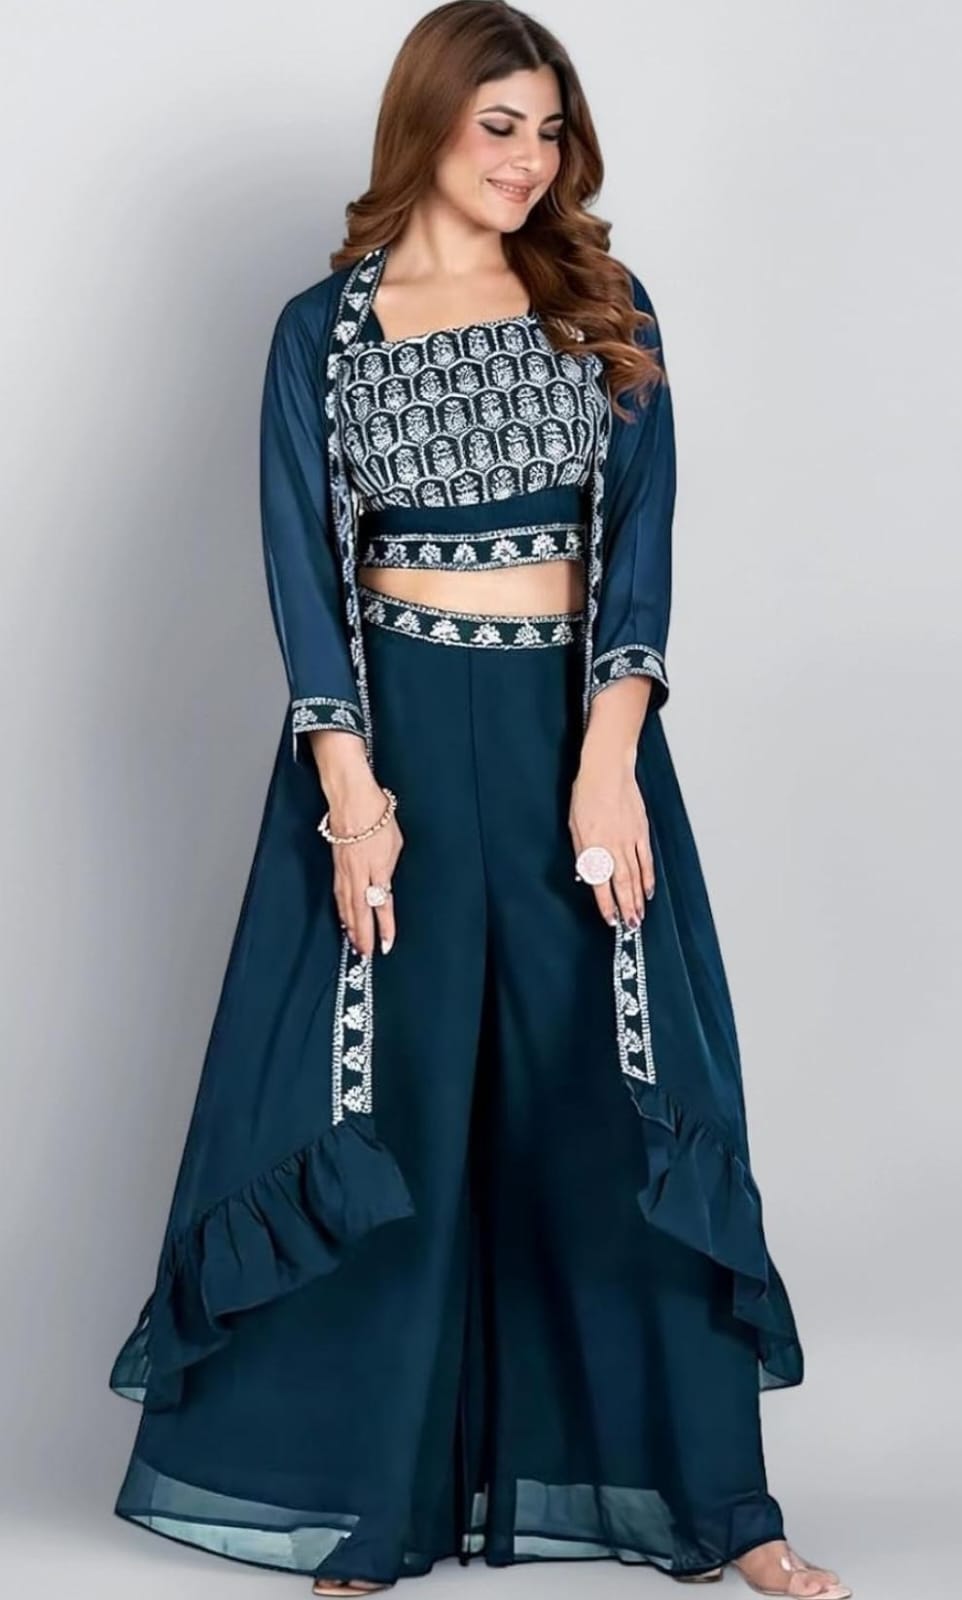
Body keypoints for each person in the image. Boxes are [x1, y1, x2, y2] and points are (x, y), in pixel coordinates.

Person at [108, 5, 851, 1597]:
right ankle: (368, 1505)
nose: (527, 159)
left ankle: (727, 1509)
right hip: (389, 748)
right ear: (428, 123)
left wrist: (609, 755)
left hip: (568, 735)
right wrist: (350, 794)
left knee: (617, 1100)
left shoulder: (600, 306)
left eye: (548, 130)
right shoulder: (324, 332)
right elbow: (300, 566)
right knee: (391, 1101)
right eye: (497, 124)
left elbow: (639, 545)